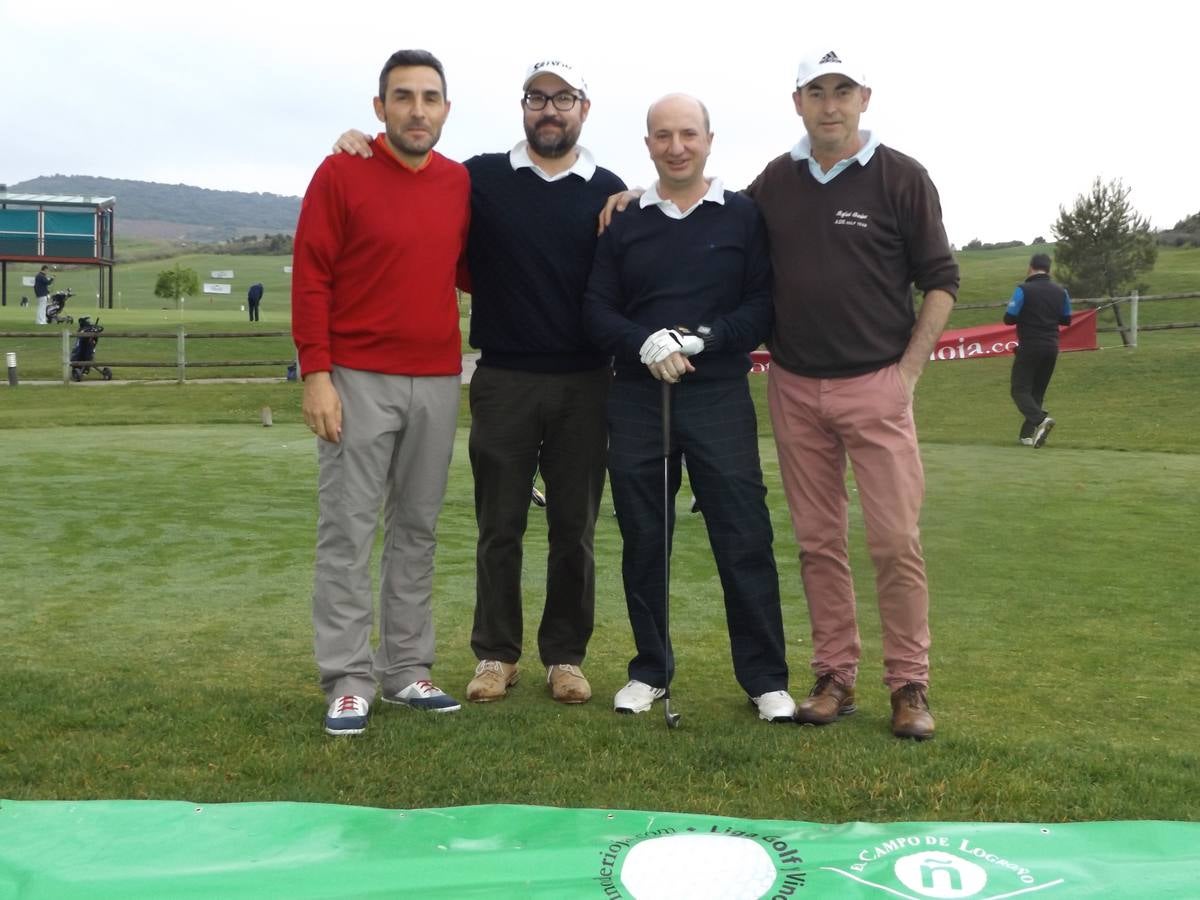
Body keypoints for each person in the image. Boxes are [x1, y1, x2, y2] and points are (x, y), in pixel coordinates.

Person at [600, 51, 958, 740]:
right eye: (816, 92)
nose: (830, 104)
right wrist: (624, 199)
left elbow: (941, 279)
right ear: (797, 101)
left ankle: (909, 684)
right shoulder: (776, 182)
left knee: (893, 541)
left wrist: (908, 373)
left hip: (876, 382)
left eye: (842, 91)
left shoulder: (901, 176)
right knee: (819, 542)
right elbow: (700, 206)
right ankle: (835, 676)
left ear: (864, 97)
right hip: (795, 386)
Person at [333, 59, 625, 706]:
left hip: (585, 383)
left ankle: (565, 658)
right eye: (537, 98)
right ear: (523, 107)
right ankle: (496, 655)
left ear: (584, 107)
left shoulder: (610, 189)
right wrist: (361, 141)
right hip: (505, 379)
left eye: (563, 99)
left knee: (573, 529)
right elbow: (415, 179)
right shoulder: (480, 177)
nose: (550, 110)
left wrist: (637, 200)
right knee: (500, 526)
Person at [584, 94, 795, 722]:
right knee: (646, 535)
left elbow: (761, 304)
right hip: (638, 397)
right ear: (647, 144)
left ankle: (765, 679)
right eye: (662, 136)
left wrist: (705, 338)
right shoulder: (623, 221)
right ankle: (650, 670)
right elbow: (597, 309)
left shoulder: (742, 216)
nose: (676, 146)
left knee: (743, 533)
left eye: (688, 134)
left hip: (718, 393)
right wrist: (642, 342)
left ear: (709, 139)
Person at [291, 49, 470, 736]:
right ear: (379, 109)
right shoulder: (341, 172)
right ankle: (347, 676)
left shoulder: (459, 184)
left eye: (430, 97)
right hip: (356, 379)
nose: (417, 110)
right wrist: (316, 374)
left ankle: (406, 670)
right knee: (348, 531)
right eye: (403, 97)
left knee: (418, 531)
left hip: (436, 380)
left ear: (446, 110)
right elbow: (311, 277)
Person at [1004, 253, 1070, 447]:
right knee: (1037, 392)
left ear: (1031, 267)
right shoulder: (1061, 291)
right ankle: (1026, 435)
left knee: (1019, 390)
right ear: (1049, 269)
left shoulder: (1023, 289)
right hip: (1051, 346)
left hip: (1030, 345)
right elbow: (1066, 319)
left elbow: (1009, 317)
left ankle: (1041, 420)